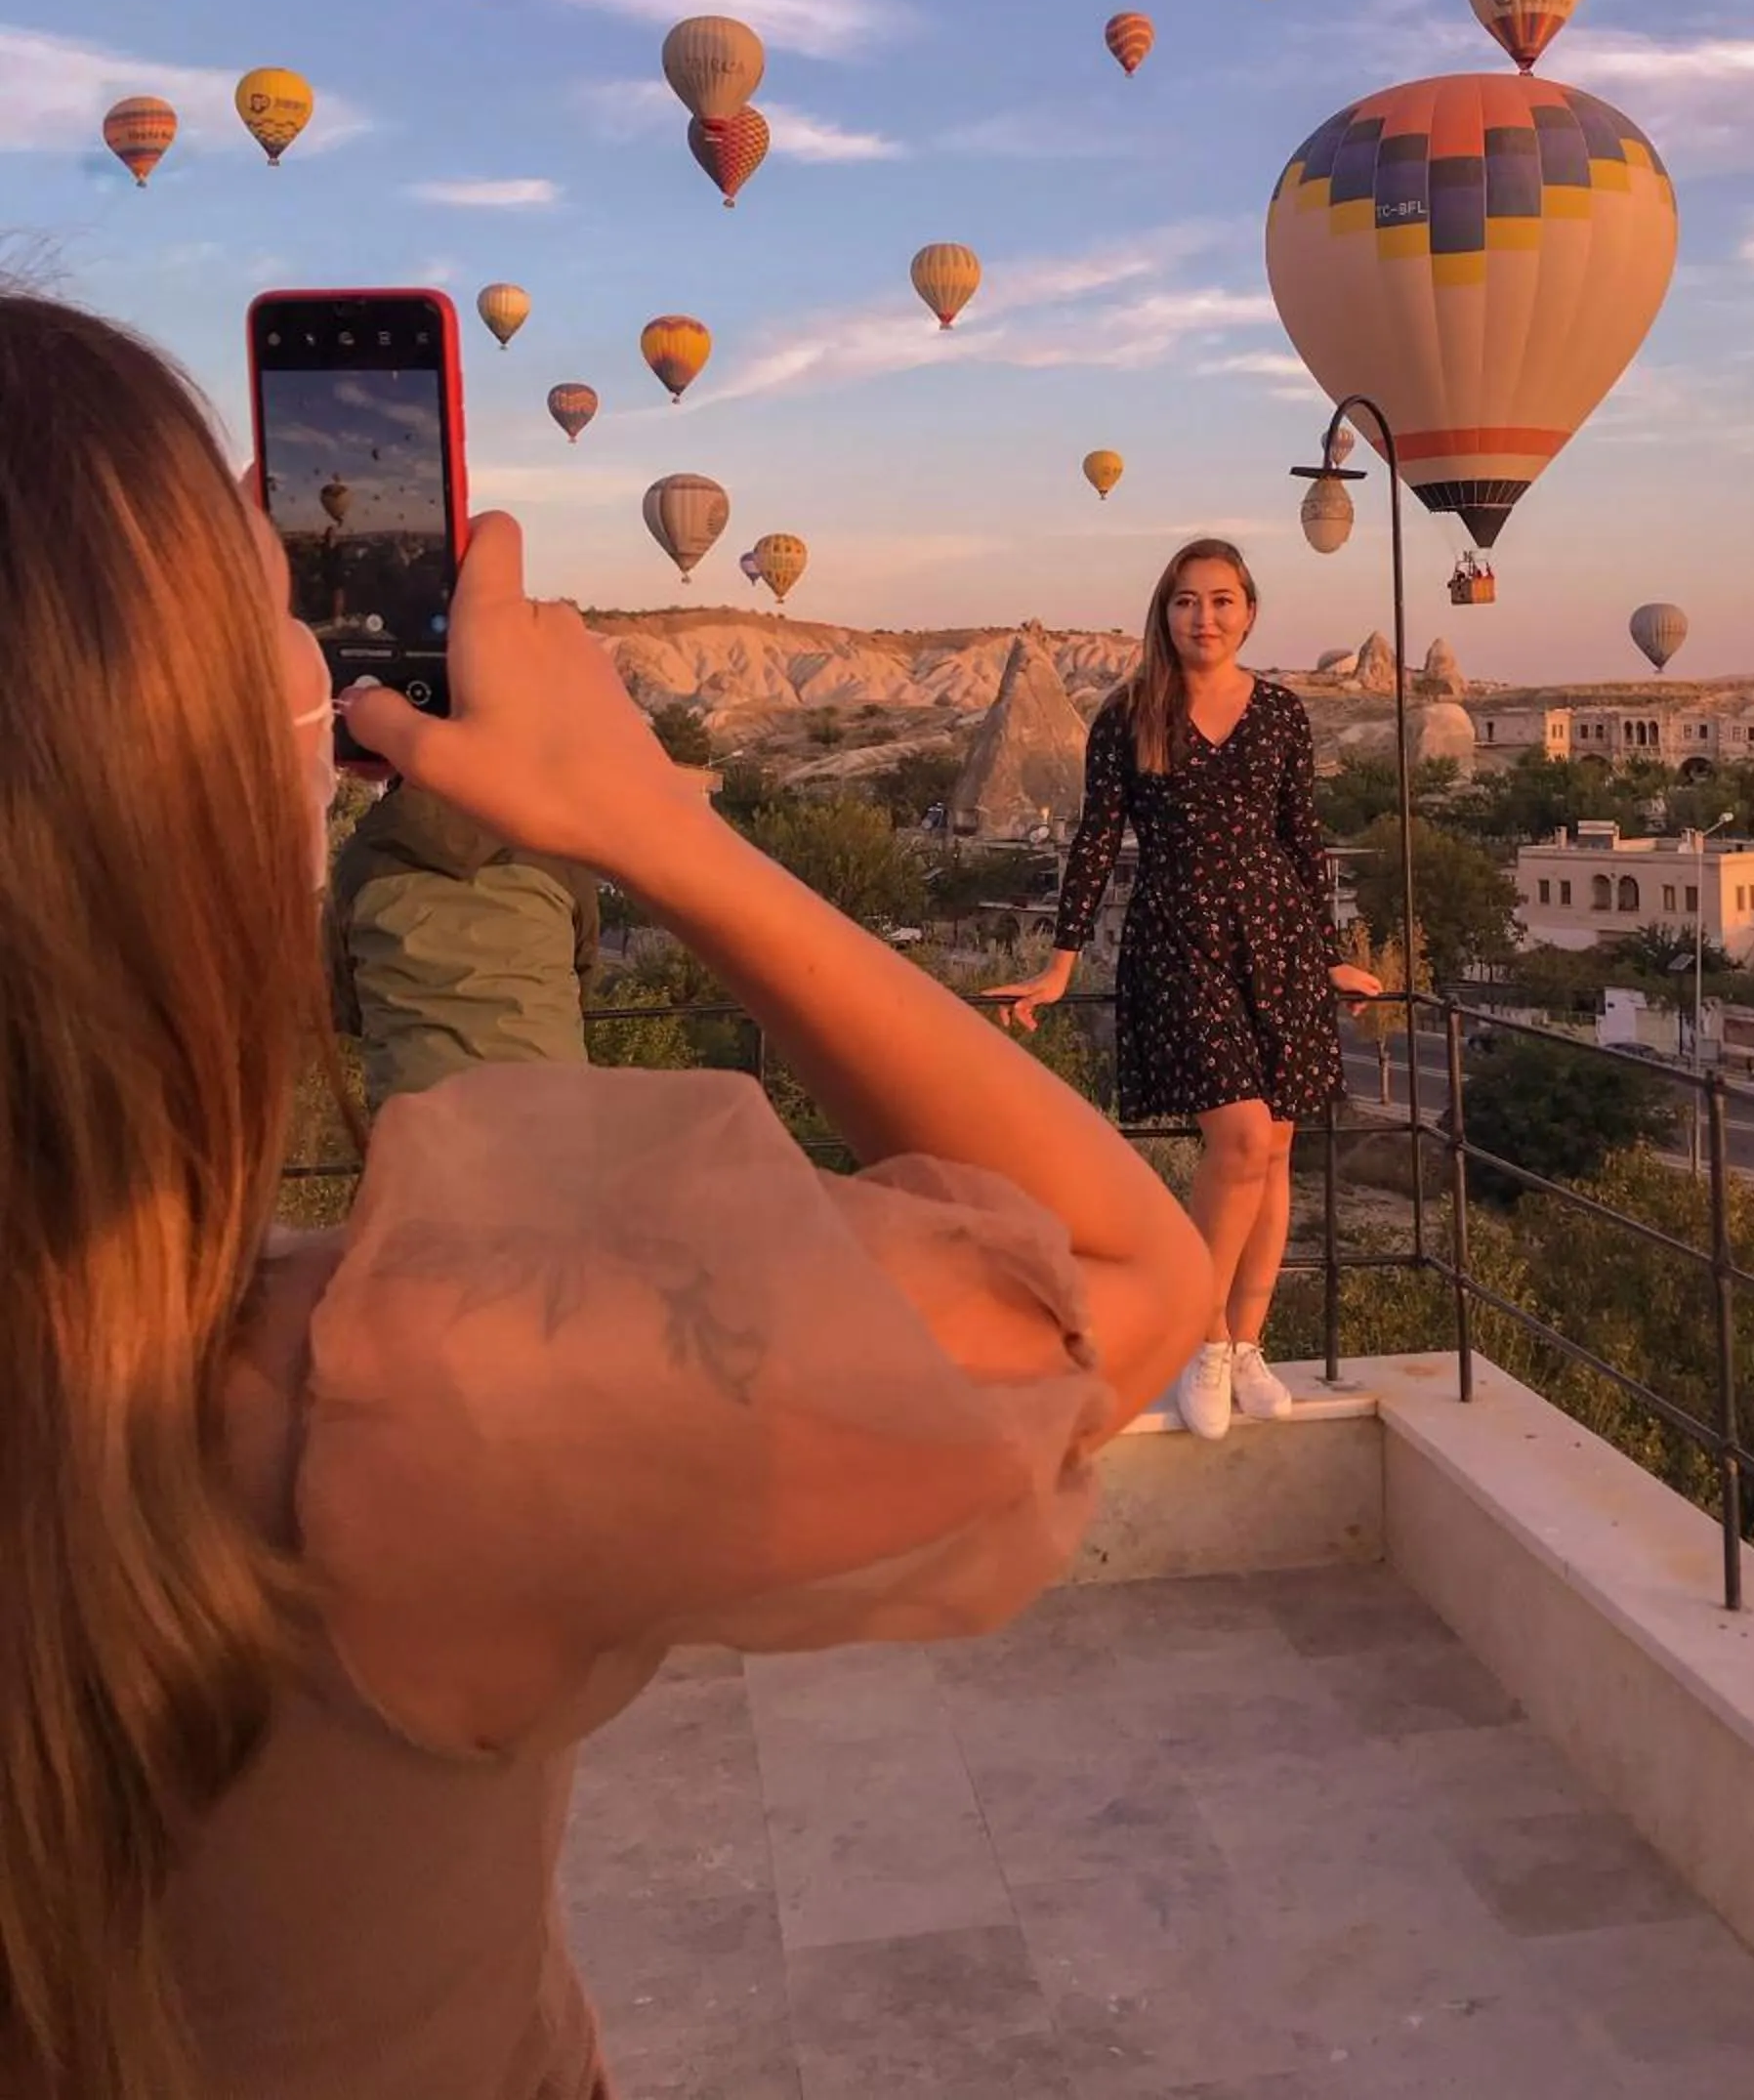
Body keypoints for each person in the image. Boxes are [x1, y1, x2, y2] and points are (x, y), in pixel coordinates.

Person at [0, 294, 1210, 2100]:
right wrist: (651, 826)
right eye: (278, 637)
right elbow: (1127, 1267)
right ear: (193, 796)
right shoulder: (413, 1410)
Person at [988, 541, 1380, 1441]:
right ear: (1162, 614)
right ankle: (1196, 1340)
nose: (1204, 618)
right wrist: (1060, 962)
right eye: (1186, 602)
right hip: (1177, 940)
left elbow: (1300, 841)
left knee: (1276, 1153)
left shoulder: (1281, 712)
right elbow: (1095, 840)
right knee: (1239, 1140)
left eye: (1222, 601)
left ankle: (1247, 1345)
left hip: (1277, 939)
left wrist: (1326, 953)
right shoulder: (1129, 716)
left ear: (1250, 611)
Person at [324, 777, 601, 1112]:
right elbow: (581, 972)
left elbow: (345, 1004)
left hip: (416, 1121)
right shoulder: (556, 852)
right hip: (550, 1108)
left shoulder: (358, 866)